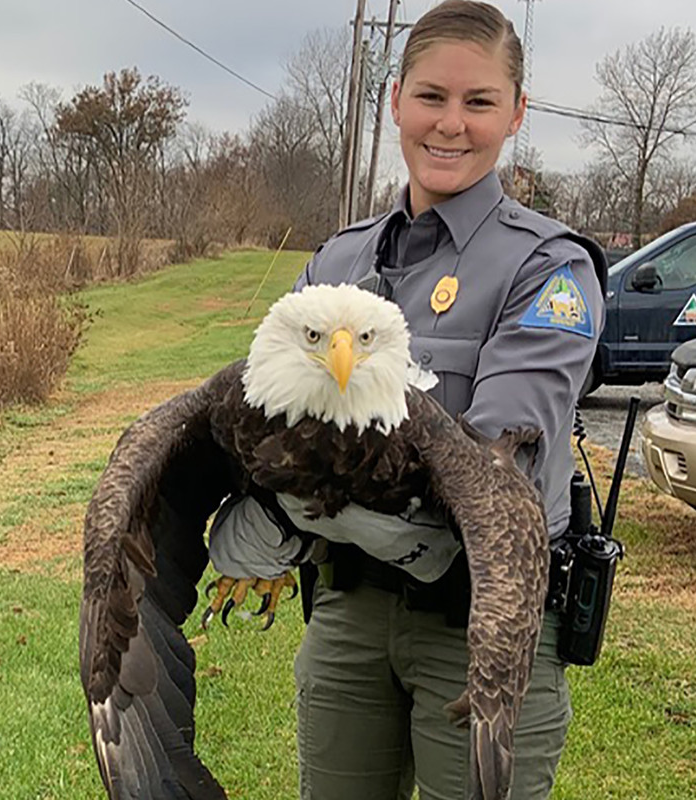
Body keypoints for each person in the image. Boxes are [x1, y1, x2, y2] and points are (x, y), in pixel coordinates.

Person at [208, 2, 608, 798]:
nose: (450, 125)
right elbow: (276, 417)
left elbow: (499, 475)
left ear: (517, 113)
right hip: (349, 617)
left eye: (480, 101)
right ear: (395, 101)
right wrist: (260, 506)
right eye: (431, 97)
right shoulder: (338, 259)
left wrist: (320, 508)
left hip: (482, 626)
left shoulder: (549, 271)